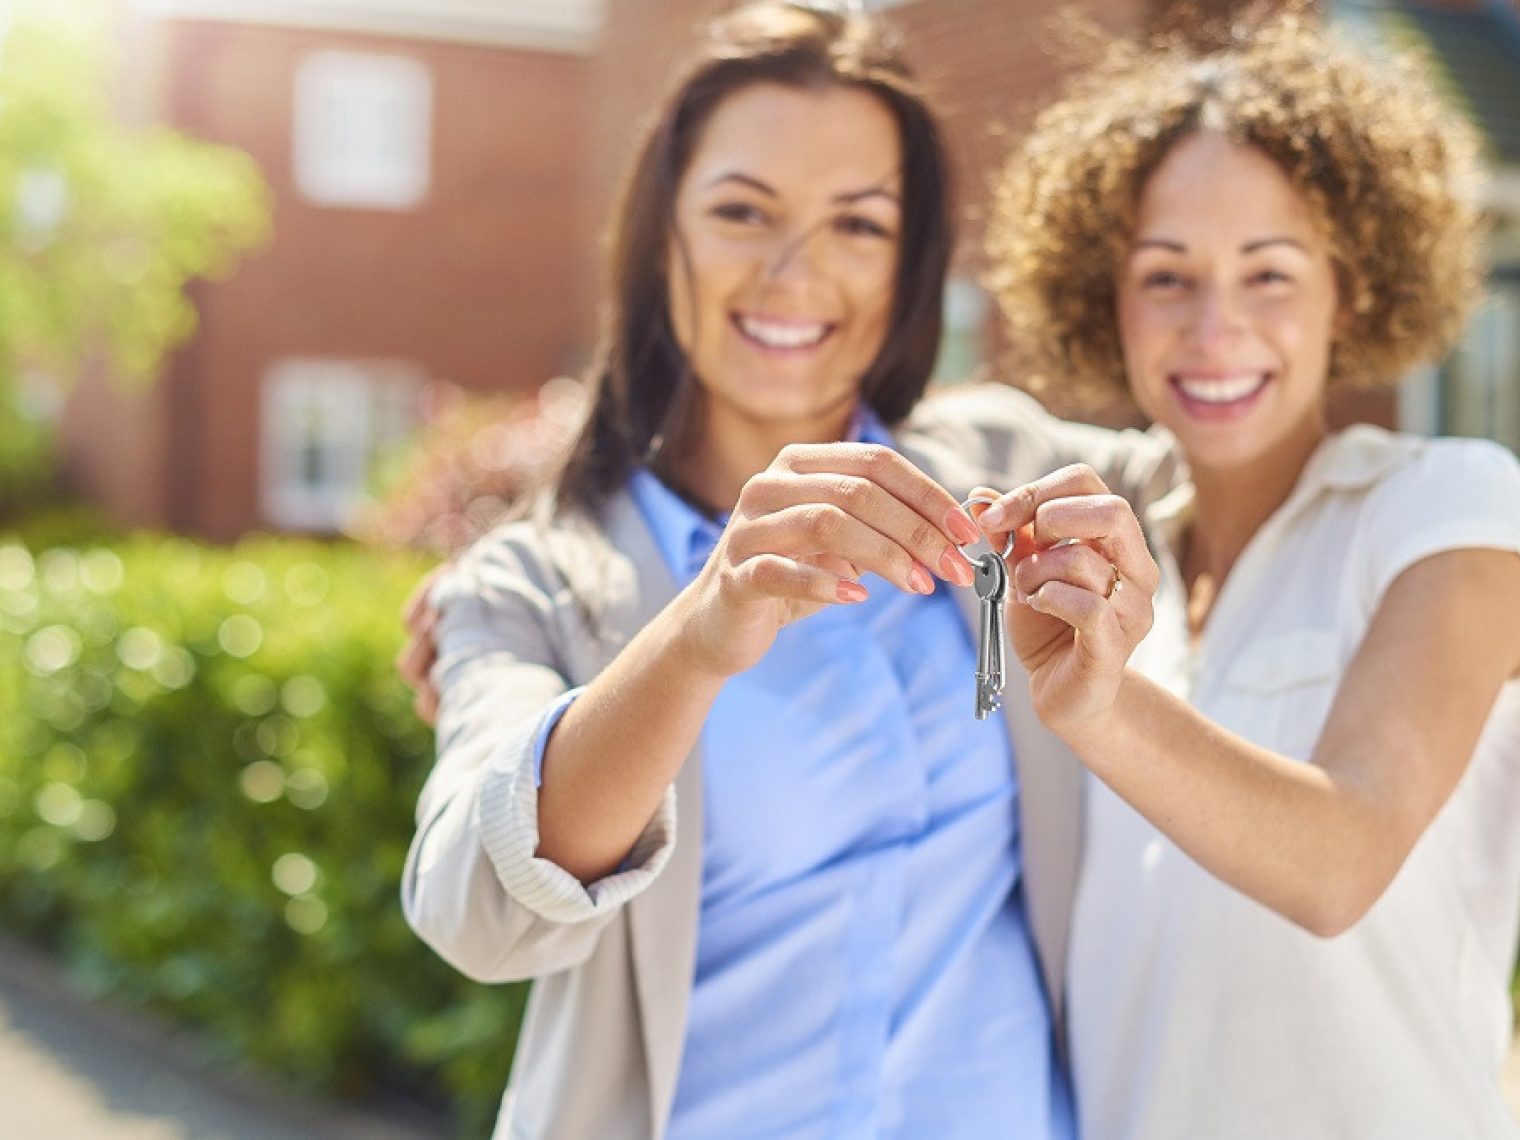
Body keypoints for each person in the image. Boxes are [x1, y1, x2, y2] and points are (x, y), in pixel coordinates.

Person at [396, 4, 1172, 1138]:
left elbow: (1252, 479)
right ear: (661, 233)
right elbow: (477, 914)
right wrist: (697, 634)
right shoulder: (535, 585)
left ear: (910, 264)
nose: (791, 271)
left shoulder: (1008, 471)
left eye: (857, 224)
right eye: (740, 210)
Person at [975, 11, 1520, 1137]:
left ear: (1348, 290)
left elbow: (1341, 860)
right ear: (1104, 297)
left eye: (1267, 274)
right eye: (1165, 277)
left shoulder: (1449, 507)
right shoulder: (1101, 548)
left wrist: (1106, 704)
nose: (1214, 330)